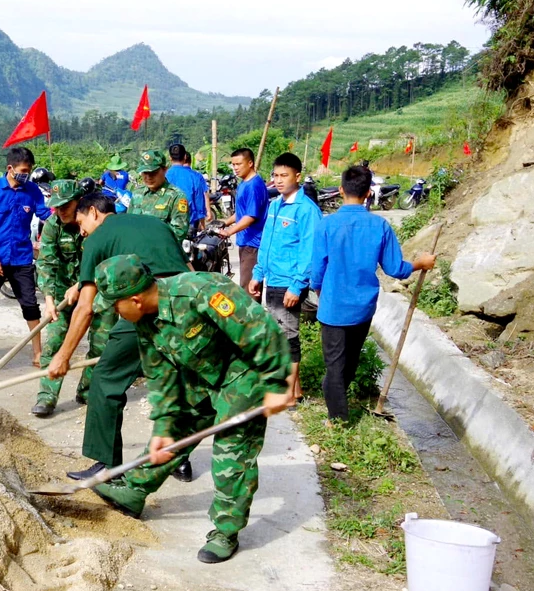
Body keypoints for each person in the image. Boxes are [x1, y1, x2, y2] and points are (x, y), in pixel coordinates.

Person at [88, 254, 293, 564]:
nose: (114, 313)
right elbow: (160, 375)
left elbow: (260, 330)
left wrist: (278, 383)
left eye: (115, 306)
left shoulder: (200, 292)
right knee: (174, 432)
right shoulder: (144, 322)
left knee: (231, 454)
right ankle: (134, 491)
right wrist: (163, 427)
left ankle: (226, 531)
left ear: (135, 300)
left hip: (243, 375)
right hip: (199, 378)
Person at [46, 193, 190, 481]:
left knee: (107, 379)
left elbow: (85, 309)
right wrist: (80, 283)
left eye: (80, 221)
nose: (80, 229)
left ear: (94, 213)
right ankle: (179, 459)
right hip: (186, 302)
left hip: (144, 307)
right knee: (176, 379)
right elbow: (171, 266)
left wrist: (62, 357)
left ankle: (106, 465)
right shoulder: (154, 224)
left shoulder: (96, 240)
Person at [311, 165, 436, 421]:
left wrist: (321, 292)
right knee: (350, 361)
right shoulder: (380, 226)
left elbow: (317, 271)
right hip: (363, 307)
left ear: (340, 191)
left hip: (333, 306)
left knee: (334, 366)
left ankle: (338, 420)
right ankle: (338, 410)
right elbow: (395, 269)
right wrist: (420, 264)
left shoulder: (327, 225)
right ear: (368, 193)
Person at [32, 180, 115, 417]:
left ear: (79, 202)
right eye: (56, 207)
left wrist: (81, 285)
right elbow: (46, 263)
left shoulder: (96, 223)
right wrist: (48, 300)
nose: (60, 211)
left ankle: (88, 389)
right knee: (55, 341)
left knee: (102, 343)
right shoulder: (52, 226)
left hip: (98, 289)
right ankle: (47, 395)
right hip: (62, 293)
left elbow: (104, 260)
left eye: (65, 206)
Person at [249, 153, 321, 402]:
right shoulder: (275, 204)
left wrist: (297, 285)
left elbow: (310, 251)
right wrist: (258, 274)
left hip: (290, 282)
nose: (278, 180)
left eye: (284, 175)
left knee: (288, 337)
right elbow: (266, 242)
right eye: (275, 175)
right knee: (278, 334)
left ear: (297, 176)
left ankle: (290, 394)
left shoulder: (306, 210)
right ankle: (295, 390)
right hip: (273, 279)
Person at [0, 147, 51, 364]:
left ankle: (37, 352)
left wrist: (64, 212)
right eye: (24, 170)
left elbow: (45, 214)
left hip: (21, 258)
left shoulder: (32, 191)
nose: (26, 174)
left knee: (30, 305)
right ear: (10, 168)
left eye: (29, 170)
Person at [217, 148, 268, 292]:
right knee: (245, 284)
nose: (235, 168)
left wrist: (229, 231)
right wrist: (225, 222)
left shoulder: (253, 185)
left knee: (249, 288)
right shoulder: (244, 183)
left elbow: (250, 216)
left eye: (239, 164)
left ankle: (252, 314)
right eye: (233, 164)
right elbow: (241, 213)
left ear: (250, 163)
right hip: (245, 242)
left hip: (253, 245)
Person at [128, 149, 189, 243]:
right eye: (145, 173)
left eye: (153, 173)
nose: (148, 177)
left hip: (161, 252)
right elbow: (129, 223)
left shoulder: (176, 196)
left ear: (165, 170)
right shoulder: (137, 194)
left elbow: (179, 232)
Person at [166, 144, 211, 232]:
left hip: (167, 225)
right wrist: (202, 222)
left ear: (170, 158)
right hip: (189, 223)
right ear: (185, 156)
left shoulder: (163, 175)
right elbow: (199, 201)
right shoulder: (195, 176)